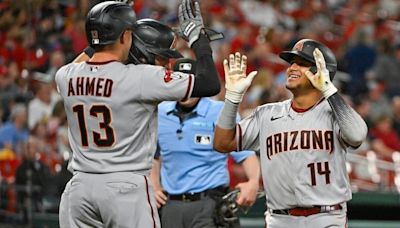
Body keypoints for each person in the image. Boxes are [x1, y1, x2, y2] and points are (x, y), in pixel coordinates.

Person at [55, 1, 220, 227]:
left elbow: (88, 59)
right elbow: (210, 83)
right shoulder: (141, 77)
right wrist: (198, 40)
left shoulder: (66, 76)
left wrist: (105, 32)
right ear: (125, 36)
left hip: (79, 189)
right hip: (125, 187)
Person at [214, 39, 368, 228]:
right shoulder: (267, 114)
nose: (292, 68)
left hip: (326, 217)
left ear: (321, 71)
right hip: (280, 219)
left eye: (302, 64)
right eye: (292, 63)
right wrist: (232, 99)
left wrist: (328, 89)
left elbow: (357, 135)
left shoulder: (334, 113)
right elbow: (222, 143)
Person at [150, 58, 260, 228]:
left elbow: (246, 155)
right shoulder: (159, 112)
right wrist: (155, 186)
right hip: (171, 205)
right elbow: (154, 155)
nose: (185, 90)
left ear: (199, 84)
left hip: (209, 204)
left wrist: (253, 181)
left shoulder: (219, 112)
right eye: (180, 82)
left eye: (190, 83)